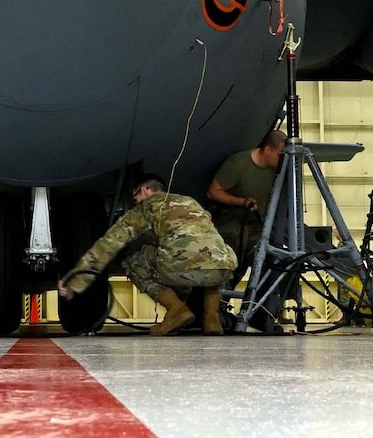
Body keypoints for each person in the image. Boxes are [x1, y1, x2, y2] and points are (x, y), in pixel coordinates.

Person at [57, 173, 236, 335]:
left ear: (144, 191)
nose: (136, 203)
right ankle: (212, 319)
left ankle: (176, 310)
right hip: (224, 267)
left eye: (136, 198)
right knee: (212, 257)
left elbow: (109, 244)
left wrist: (76, 281)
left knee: (134, 261)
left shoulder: (146, 208)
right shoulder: (190, 202)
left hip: (181, 266)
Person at [206, 128, 288, 282]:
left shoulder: (278, 171)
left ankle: (258, 304)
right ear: (268, 150)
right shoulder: (238, 164)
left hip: (258, 229)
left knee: (271, 267)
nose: (282, 159)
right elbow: (213, 191)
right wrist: (242, 202)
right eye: (280, 155)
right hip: (232, 228)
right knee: (228, 273)